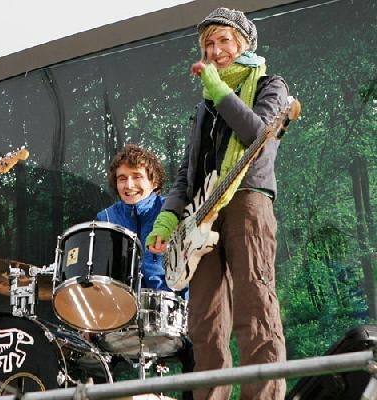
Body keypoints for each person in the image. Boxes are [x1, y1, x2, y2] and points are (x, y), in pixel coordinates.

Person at [147, 8, 288, 400]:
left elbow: (257, 136)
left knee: (254, 307)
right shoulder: (204, 106)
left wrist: (219, 89)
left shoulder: (270, 85)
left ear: (243, 44)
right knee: (205, 323)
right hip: (200, 218)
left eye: (224, 40)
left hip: (247, 201)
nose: (215, 49)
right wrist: (166, 220)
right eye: (208, 43)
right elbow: (186, 173)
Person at [97, 144, 193, 397]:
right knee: (92, 359)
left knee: (198, 354)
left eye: (137, 176)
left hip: (172, 312)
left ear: (154, 180)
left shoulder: (172, 212)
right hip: (120, 315)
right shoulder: (105, 218)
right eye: (122, 178)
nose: (129, 185)